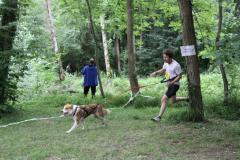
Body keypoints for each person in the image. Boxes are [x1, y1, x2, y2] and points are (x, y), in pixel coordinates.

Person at [150, 49, 188, 122]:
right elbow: (163, 70)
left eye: (166, 57)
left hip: (175, 85)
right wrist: (156, 73)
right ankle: (188, 98)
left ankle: (159, 117)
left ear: (170, 57)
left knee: (164, 99)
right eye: (164, 57)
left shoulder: (176, 65)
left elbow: (179, 76)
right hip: (170, 84)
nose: (164, 59)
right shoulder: (166, 63)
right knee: (173, 100)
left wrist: (172, 82)